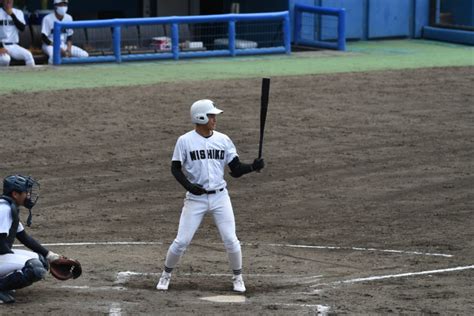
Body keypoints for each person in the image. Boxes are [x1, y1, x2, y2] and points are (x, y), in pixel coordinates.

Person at [156, 99, 265, 293]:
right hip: (195, 199)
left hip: (220, 198)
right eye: (211, 115)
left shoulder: (223, 139)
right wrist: (189, 186)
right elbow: (175, 169)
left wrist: (252, 167)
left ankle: (238, 277)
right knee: (181, 241)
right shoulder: (185, 141)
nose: (214, 119)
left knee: (231, 240)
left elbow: (236, 170)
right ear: (201, 117)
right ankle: (166, 274)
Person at [0, 175, 63, 304]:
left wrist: (50, 255)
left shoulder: (9, 207)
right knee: (34, 268)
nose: (28, 195)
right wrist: (10, 255)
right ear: (15, 194)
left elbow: (23, 237)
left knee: (42, 261)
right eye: (25, 192)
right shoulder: (4, 210)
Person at [41, 0, 88, 64]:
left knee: (84, 55)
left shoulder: (69, 18)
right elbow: (44, 38)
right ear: (55, 6)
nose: (63, 7)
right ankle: (51, 72)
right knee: (54, 56)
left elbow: (69, 36)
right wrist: (58, 48)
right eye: (60, 4)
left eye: (65, 4)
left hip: (64, 45)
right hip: (50, 46)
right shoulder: (47, 18)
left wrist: (68, 49)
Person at [0, 0, 35, 67]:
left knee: (28, 55)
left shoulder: (18, 12)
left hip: (13, 45)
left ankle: (32, 76)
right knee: (5, 59)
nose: (8, 1)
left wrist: (12, 15)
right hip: (1, 44)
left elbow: (22, 28)